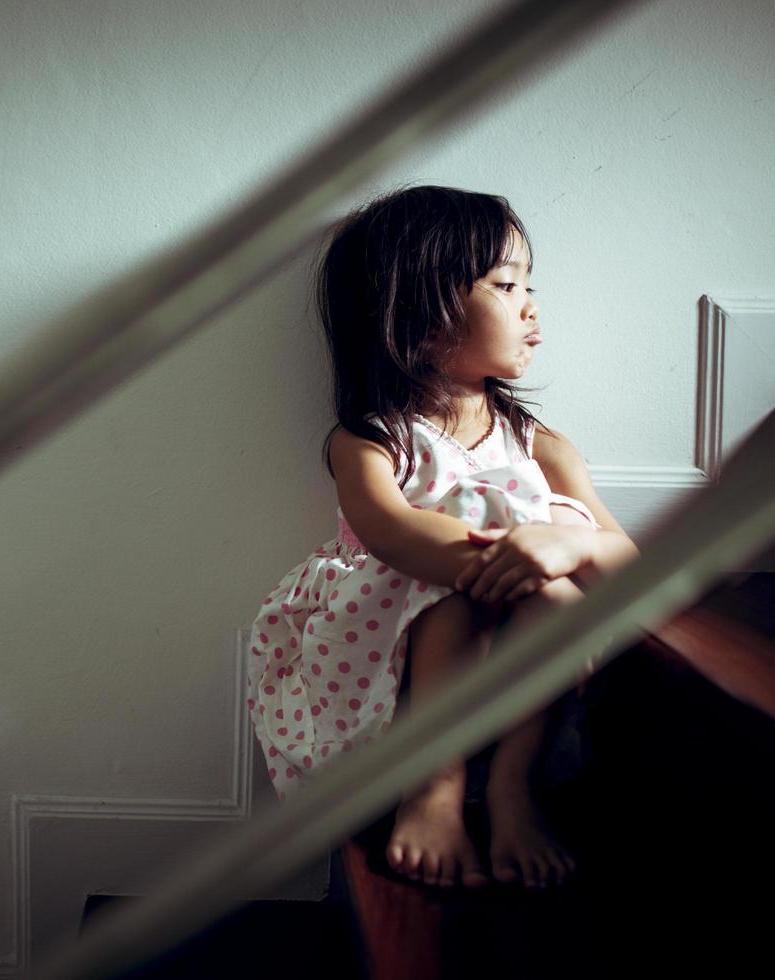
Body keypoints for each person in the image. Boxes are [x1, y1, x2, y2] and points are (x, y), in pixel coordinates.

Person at [246, 185, 638, 890]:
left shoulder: (538, 444)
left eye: (530, 285)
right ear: (425, 316)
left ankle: (514, 788)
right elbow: (392, 535)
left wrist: (565, 547)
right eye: (507, 284)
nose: (531, 305)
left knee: (558, 589)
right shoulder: (371, 441)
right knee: (456, 591)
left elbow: (626, 560)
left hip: (510, 645)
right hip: (385, 640)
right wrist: (514, 558)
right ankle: (434, 782)